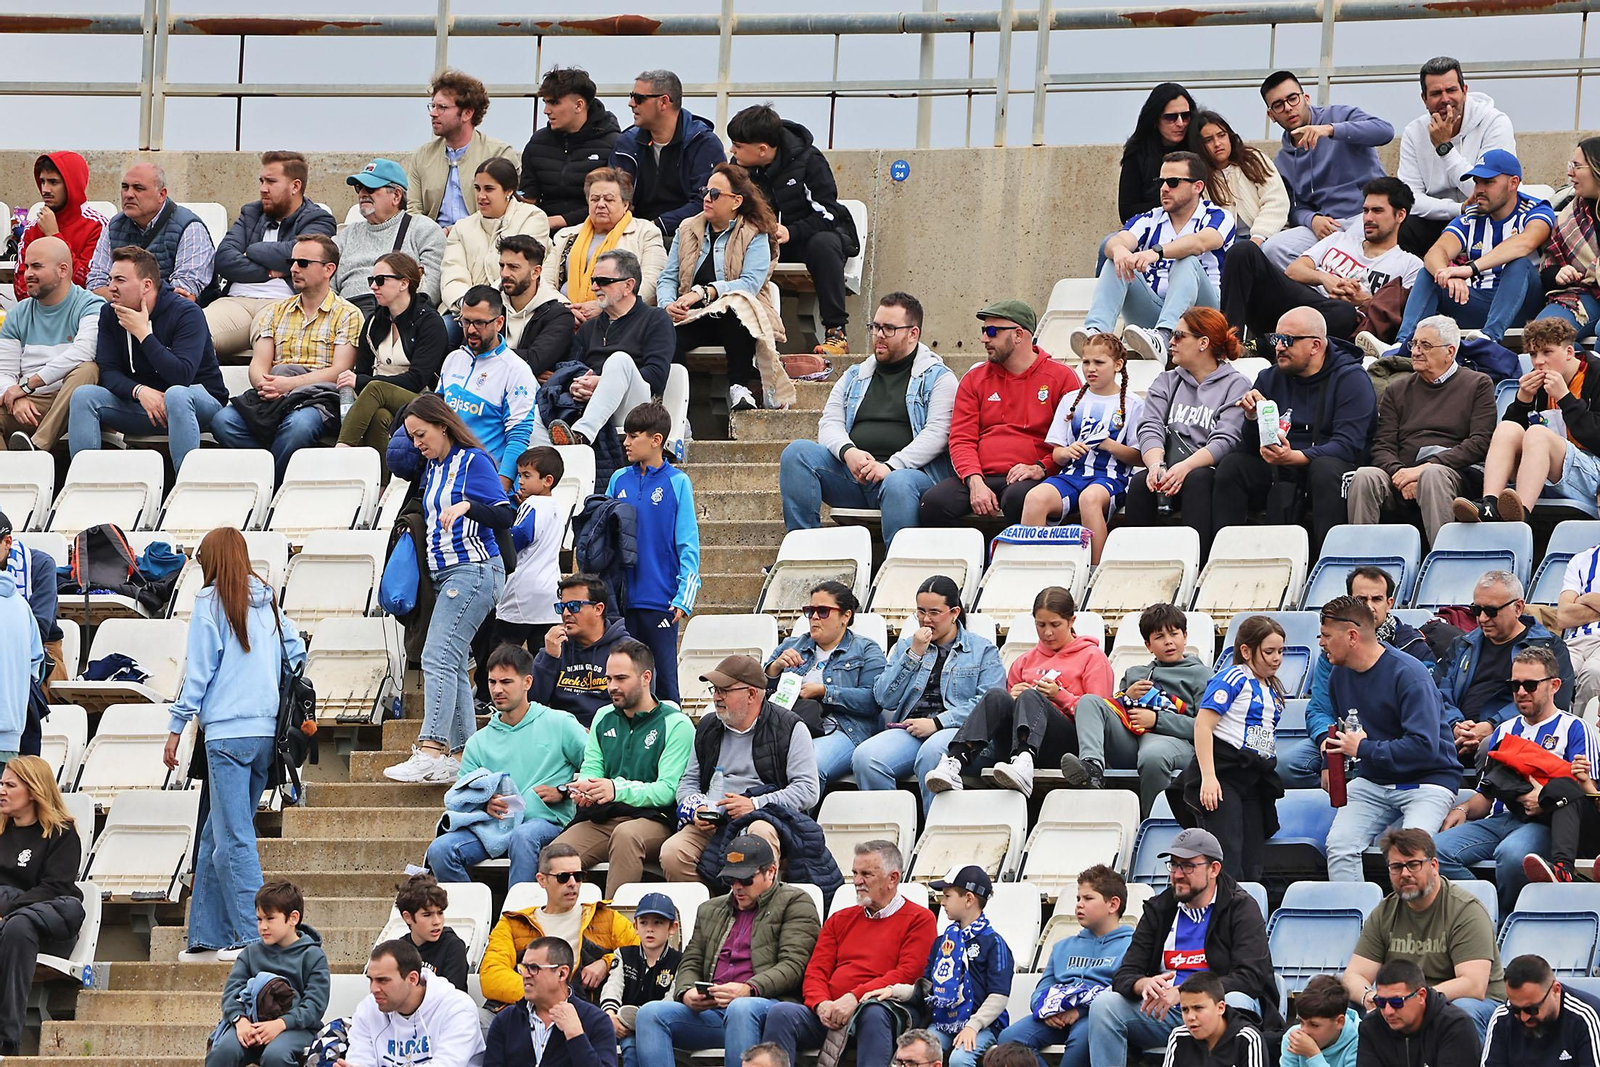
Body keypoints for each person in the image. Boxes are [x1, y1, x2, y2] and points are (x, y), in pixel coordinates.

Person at [166, 526, 306, 958]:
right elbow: (297, 654)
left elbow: (199, 672)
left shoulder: (210, 602)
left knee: (235, 837)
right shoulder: (269, 602)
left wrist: (176, 727)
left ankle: (253, 934)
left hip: (227, 735)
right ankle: (207, 935)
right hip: (265, 735)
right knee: (215, 834)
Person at [382, 394, 513, 784]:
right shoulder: (433, 467)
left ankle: (431, 747)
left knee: (437, 656)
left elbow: (505, 513)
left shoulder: (473, 460)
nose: (418, 443)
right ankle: (463, 754)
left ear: (443, 425)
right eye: (412, 437)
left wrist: (469, 507)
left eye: (421, 434)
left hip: (472, 570)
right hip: (446, 574)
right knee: (453, 662)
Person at [1089, 828, 1280, 1067]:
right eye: (1174, 865)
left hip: (1217, 1009)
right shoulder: (1159, 909)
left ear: (1214, 869)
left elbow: (1251, 976)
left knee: (1236, 1002)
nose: (1178, 874)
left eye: (1188, 866)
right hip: (1165, 1012)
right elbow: (1126, 973)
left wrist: (1186, 992)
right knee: (1104, 1007)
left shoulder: (1240, 908)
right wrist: (1143, 984)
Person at [778, 290, 956, 546]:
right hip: (855, 477)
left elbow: (938, 433)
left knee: (898, 482)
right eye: (876, 327)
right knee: (797, 453)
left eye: (889, 329)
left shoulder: (938, 378)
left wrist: (891, 466)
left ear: (913, 333)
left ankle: (898, 564)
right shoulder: (855, 375)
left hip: (909, 479)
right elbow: (829, 423)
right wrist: (849, 452)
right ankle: (803, 550)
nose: (879, 335)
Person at [632, 834, 821, 1067]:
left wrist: (748, 989)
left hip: (765, 1007)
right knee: (649, 1014)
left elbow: (794, 966)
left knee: (742, 1008)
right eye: (731, 879)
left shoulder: (796, 902)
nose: (737, 887)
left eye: (746, 879)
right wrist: (687, 992)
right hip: (715, 1009)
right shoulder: (710, 909)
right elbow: (691, 961)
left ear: (771, 871)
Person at [1435, 646, 1596, 912]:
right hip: (1500, 818)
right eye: (1515, 685)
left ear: (1554, 685)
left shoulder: (1575, 728)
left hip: (1544, 822)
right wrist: (1463, 809)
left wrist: (1544, 799)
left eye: (1530, 685)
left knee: (1512, 856)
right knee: (1435, 851)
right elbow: (1486, 794)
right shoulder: (1504, 730)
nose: (1521, 692)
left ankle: (1510, 919)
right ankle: (1483, 914)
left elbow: (1586, 794)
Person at [1319, 595, 1462, 882]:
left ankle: (1416, 924)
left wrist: (1364, 748)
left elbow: (1424, 747)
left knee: (1412, 853)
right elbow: (1344, 727)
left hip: (1427, 779)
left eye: (1325, 635)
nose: (1321, 643)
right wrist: (1328, 761)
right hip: (1374, 780)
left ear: (1352, 636)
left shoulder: (1409, 674)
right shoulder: (1338, 675)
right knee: (1339, 846)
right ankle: (1359, 922)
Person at [760, 840, 938, 1067]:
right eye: (854, 873)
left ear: (893, 878)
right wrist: (821, 1004)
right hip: (831, 1011)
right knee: (781, 1013)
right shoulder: (840, 919)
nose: (857, 881)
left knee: (874, 1012)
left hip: (884, 1009)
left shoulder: (919, 919)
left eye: (866, 874)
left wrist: (854, 997)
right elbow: (816, 971)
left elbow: (908, 973)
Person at [1215, 308, 1377, 555]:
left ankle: (1330, 561)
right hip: (1282, 466)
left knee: (1324, 469)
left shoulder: (1351, 379)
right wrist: (1251, 418)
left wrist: (1297, 457)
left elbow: (1348, 445)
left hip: (1330, 468)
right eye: (1276, 338)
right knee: (1233, 466)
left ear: (1315, 345)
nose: (1279, 347)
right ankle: (1226, 559)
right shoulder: (1268, 378)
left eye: (1288, 340)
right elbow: (1249, 448)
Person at [926, 586, 1113, 799]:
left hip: (1067, 748)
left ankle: (1024, 759)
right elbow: (1001, 711)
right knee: (997, 696)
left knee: (1030, 696)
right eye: (1040, 625)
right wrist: (1012, 697)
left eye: (1055, 624)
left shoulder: (1093, 657)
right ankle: (955, 761)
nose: (1047, 632)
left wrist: (1060, 695)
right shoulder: (1024, 661)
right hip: (1014, 746)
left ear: (1072, 621)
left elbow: (1099, 714)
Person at [424, 643, 587, 883]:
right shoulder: (479, 741)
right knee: (440, 850)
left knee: (523, 836)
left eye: (506, 682)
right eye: (492, 682)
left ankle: (517, 917)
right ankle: (475, 915)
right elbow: (462, 796)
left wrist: (564, 791)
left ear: (527, 682)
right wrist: (484, 803)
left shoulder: (560, 723)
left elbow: (599, 765)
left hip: (546, 824)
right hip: (492, 827)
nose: (497, 689)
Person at [208, 233, 362, 481]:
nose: (293, 269)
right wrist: (265, 384)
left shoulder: (347, 314)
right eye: (292, 262)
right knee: (223, 421)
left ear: (328, 270)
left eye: (302, 263)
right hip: (274, 394)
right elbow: (258, 364)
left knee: (299, 427)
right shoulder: (275, 311)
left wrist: (288, 385)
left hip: (318, 397)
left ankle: (268, 486)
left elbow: (339, 371)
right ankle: (273, 476)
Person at [548, 640, 694, 898]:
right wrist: (587, 789)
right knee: (556, 856)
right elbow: (592, 769)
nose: (612, 686)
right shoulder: (603, 717)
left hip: (655, 819)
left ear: (646, 677)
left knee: (626, 836)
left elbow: (667, 791)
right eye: (608, 678)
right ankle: (561, 933)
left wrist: (615, 789)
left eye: (621, 678)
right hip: (606, 816)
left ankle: (614, 928)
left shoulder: (676, 725)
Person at [920, 299, 1082, 527]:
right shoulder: (974, 378)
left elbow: (1072, 442)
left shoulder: (1061, 377)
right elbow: (961, 439)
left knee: (1019, 499)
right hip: (981, 475)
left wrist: (1041, 467)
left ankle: (1012, 559)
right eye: (983, 330)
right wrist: (974, 480)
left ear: (1018, 335)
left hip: (1033, 475)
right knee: (933, 503)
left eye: (992, 331)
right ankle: (971, 560)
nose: (984, 338)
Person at [67, 245, 228, 472]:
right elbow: (108, 372)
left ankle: (186, 485)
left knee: (177, 394)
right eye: (110, 279)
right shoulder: (109, 313)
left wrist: (143, 334)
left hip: (196, 402)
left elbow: (182, 375)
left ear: (146, 285)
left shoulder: (186, 313)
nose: (111, 287)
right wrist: (139, 391)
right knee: (84, 396)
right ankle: (86, 483)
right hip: (144, 406)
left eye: (120, 280)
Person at [853, 575, 1006, 812]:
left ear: (954, 613)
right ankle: (891, 833)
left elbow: (988, 702)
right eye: (921, 611)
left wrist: (937, 722)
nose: (926, 619)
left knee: (932, 754)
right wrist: (913, 656)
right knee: (866, 757)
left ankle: (933, 832)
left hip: (958, 732)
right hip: (911, 728)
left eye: (934, 612)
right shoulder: (907, 646)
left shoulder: (982, 650)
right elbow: (884, 698)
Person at [663, 654, 818, 881]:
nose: (716, 697)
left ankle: (758, 912)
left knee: (760, 836)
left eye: (724, 690)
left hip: (765, 819)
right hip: (715, 819)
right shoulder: (707, 726)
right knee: (672, 853)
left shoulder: (790, 727)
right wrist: (695, 808)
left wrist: (754, 804)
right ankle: (711, 909)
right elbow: (689, 781)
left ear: (751, 694)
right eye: (714, 690)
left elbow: (807, 790)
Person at [1277, 567, 1436, 789]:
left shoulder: (1414, 649)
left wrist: (1366, 747)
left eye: (1377, 599)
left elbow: (1431, 716)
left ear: (1389, 603)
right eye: (1362, 599)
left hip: (1393, 739)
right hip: (1343, 738)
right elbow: (1319, 709)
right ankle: (1342, 795)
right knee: (1286, 766)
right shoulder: (1332, 652)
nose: (1370, 606)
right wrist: (1327, 742)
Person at [1073, 152, 1236, 364]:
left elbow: (1201, 242)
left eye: (1173, 182)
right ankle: (1095, 335)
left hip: (1203, 314)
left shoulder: (1218, 216)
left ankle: (1166, 335)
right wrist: (1120, 250)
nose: (1164, 188)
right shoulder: (1151, 218)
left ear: (1197, 187)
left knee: (1186, 260)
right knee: (1117, 259)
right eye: (1161, 182)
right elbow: (1117, 240)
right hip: (1154, 310)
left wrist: (1156, 252)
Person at [1345, 315, 1496, 544]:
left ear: (1450, 351)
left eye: (1425, 345)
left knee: (1432, 476)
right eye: (1414, 344)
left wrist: (1425, 470)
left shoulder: (1478, 384)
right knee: (1365, 476)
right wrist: (1401, 475)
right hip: (1401, 474)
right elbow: (1383, 445)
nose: (1415, 351)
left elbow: (1479, 442)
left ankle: (1444, 561)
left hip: (1451, 474)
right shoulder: (1397, 389)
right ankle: (1362, 563)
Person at [1341, 828, 1506, 1034]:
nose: (1405, 874)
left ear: (1434, 865)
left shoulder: (1465, 910)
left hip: (1472, 1005)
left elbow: (1473, 985)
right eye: (1396, 867)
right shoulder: (1385, 911)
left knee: (1462, 1012)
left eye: (1413, 864)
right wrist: (1370, 997)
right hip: (1404, 1001)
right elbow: (1353, 975)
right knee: (1340, 1008)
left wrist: (1411, 1000)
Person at [728, 103, 861, 357]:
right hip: (764, 243)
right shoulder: (739, 167)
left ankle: (836, 333)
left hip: (806, 240)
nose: (732, 150)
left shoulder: (809, 161)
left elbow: (829, 214)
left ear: (762, 149)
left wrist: (792, 231)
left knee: (824, 244)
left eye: (738, 145)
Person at [1390, 149, 1552, 354]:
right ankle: (1403, 344)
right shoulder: (1472, 215)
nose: (1479, 189)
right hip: (1479, 303)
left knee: (1518, 263)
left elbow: (1525, 243)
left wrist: (1469, 269)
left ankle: (1489, 339)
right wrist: (1446, 275)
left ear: (1513, 183)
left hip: (1523, 307)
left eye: (1488, 182)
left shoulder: (1535, 208)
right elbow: (1437, 251)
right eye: (1477, 182)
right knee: (1428, 272)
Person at [658, 162, 790, 413]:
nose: (707, 198)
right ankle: (672, 410)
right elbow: (668, 277)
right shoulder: (686, 228)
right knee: (664, 333)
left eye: (715, 194)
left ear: (736, 201)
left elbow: (750, 283)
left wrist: (705, 291)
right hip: (693, 316)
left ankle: (740, 387)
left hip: (739, 315)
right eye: (705, 192)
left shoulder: (756, 232)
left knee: (734, 310)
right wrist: (667, 304)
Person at [1221, 177, 1421, 342]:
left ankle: (1263, 344)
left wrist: (1365, 300)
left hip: (1339, 325)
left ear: (1400, 215)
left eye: (1377, 211)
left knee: (1343, 312)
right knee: (1244, 250)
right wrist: (1326, 279)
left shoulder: (1410, 265)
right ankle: (1229, 340)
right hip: (1300, 303)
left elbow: (1402, 317)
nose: (1368, 218)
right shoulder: (1339, 239)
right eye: (1366, 210)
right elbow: (1294, 271)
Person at [1063, 603, 1213, 815]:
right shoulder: (1135, 673)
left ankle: (1153, 822)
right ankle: (1092, 767)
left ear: (1185, 636)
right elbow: (1114, 712)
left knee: (1153, 755)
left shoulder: (1201, 675)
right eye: (1159, 637)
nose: (1168, 641)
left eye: (1174, 634)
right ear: (1148, 645)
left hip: (1176, 743)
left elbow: (1204, 727)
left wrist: (1156, 720)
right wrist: (1126, 697)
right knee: (1088, 701)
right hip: (1132, 741)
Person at [864, 864, 1016, 1067]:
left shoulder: (994, 943)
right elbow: (927, 988)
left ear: (969, 899)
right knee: (919, 1054)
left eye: (947, 895)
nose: (941, 902)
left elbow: (999, 996)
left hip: (983, 1025)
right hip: (944, 1022)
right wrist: (893, 991)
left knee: (959, 1059)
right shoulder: (942, 943)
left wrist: (973, 1025)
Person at [1126, 307, 1251, 555]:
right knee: (1141, 483)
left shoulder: (1237, 384)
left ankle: (1196, 565)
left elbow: (1226, 439)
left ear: (1203, 343)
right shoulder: (1167, 380)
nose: (1171, 341)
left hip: (1207, 473)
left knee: (1197, 479)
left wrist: (1185, 468)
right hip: (1169, 466)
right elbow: (1149, 425)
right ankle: (1133, 564)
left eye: (1179, 335)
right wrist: (1154, 466)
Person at [1455, 316, 1600, 524]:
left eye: (1547, 352)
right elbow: (1510, 438)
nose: (1539, 361)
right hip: (1545, 471)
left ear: (1569, 352)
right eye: (1533, 354)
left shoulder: (1595, 373)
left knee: (1538, 433)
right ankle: (1489, 505)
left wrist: (1566, 399)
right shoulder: (1538, 379)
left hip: (1592, 475)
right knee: (1507, 428)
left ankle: (1520, 512)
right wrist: (1523, 400)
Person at [1175, 615, 1285, 883]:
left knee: (1252, 862)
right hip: (1223, 775)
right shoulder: (1233, 677)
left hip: (1253, 778)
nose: (1276, 658)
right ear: (1246, 651)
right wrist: (1209, 777)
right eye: (1269, 651)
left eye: (1281, 651)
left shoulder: (1272, 687)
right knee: (1228, 857)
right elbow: (1203, 725)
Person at [1020, 334, 1143, 560]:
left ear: (1118, 365)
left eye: (1099, 363)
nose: (1091, 369)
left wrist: (1109, 446)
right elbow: (1056, 453)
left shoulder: (1134, 404)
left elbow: (1139, 457)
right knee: (1034, 498)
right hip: (1072, 475)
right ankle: (1032, 565)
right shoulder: (1070, 400)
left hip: (1111, 477)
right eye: (1086, 362)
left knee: (1090, 498)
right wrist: (1067, 452)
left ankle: (1095, 571)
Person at [608, 400, 700, 700]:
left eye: (634, 436)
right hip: (621, 601)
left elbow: (687, 543)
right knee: (623, 683)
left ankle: (674, 743)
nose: (626, 442)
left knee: (663, 683)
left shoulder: (678, 482)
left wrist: (684, 597)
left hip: (660, 599)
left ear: (656, 440)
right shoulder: (617, 479)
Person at [997, 865, 1134, 1067]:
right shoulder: (1063, 946)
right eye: (1078, 899)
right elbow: (1042, 989)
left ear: (1113, 904)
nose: (1079, 905)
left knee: (1082, 1037)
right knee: (1009, 1038)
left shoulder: (1132, 946)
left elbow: (1122, 992)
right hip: (1055, 1016)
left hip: (1096, 1017)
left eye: (1088, 899)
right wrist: (1048, 1009)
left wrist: (1080, 1011)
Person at [205, 151, 337, 358]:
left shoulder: (318, 219)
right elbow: (223, 260)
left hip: (283, 302)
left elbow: (303, 260)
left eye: (271, 182)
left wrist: (252, 250)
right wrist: (271, 272)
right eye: (261, 181)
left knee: (272, 349)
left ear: (295, 186)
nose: (263, 189)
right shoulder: (251, 213)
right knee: (195, 335)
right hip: (235, 301)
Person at [537, 249, 674, 449]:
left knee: (619, 360)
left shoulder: (656, 319)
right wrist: (575, 385)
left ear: (628, 285)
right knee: (532, 414)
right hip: (585, 403)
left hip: (637, 406)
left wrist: (603, 383)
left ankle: (582, 435)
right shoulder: (589, 327)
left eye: (602, 281)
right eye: (593, 280)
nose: (594, 287)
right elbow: (570, 367)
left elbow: (656, 375)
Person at [1258, 71, 1394, 269]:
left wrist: (1330, 130)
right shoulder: (1282, 161)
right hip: (1327, 225)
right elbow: (1293, 206)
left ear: (1306, 98)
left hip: (1365, 213)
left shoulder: (1340, 115)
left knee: (1346, 251)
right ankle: (1325, 290)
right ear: (1271, 115)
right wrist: (1312, 220)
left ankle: (1335, 285)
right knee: (1273, 249)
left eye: (1292, 99)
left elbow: (1384, 131)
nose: (1288, 108)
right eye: (1278, 105)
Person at [478, 845, 639, 1011]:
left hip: (585, 1014)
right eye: (563, 877)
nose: (572, 883)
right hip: (524, 1012)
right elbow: (492, 975)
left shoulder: (607, 918)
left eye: (578, 876)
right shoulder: (513, 923)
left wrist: (607, 963)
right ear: (542, 880)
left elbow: (642, 956)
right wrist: (545, 997)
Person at [765, 580, 887, 790]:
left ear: (846, 616)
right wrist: (774, 670)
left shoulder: (866, 650)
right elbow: (755, 693)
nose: (813, 617)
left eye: (823, 611)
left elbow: (873, 701)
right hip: (789, 728)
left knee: (807, 765)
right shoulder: (791, 645)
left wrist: (824, 692)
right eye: (810, 611)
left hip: (845, 728)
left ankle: (792, 822)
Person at [0, 756, 84, 1059]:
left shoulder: (62, 833)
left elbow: (56, 888)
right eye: (1, 783)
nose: (2, 790)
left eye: (10, 785)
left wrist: (9, 908)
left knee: (19, 925)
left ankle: (6, 1042)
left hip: (47, 928)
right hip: (9, 925)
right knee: (13, 925)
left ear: (34, 790)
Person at [1435, 571, 1576, 749]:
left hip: (1517, 738)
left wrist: (1493, 726)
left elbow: (1554, 701)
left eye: (1491, 611)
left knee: (1489, 746)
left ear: (1518, 608)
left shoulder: (1549, 647)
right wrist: (1456, 726)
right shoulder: (1462, 645)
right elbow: (1437, 693)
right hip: (1456, 735)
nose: (1482, 618)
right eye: (1476, 610)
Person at [1397, 57, 1518, 258]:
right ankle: (1413, 287)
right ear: (1424, 99)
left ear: (1465, 90)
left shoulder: (1495, 122)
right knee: (1401, 227)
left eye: (1451, 90)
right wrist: (1457, 209)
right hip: (1440, 218)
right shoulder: (1414, 132)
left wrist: (1445, 148)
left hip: (1488, 215)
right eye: (1436, 93)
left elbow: (1489, 190)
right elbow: (1410, 198)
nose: (1445, 99)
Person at [204, 881, 330, 1067]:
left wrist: (281, 1024)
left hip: (295, 1028)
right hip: (251, 1025)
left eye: (270, 919)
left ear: (293, 918)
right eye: (259, 919)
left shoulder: (313, 956)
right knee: (223, 1052)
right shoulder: (250, 954)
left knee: (275, 1057)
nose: (262, 926)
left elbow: (314, 1005)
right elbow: (231, 994)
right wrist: (240, 1021)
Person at [334, 251, 449, 452]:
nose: (373, 286)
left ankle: (342, 453)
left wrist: (363, 382)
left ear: (404, 283)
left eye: (380, 280)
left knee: (374, 388)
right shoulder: (373, 322)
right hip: (380, 400)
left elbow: (417, 380)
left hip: (421, 398)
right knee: (380, 417)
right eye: (372, 280)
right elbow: (363, 370)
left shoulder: (430, 322)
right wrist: (364, 382)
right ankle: (382, 482)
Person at [427, 285, 538, 491]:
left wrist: (500, 489)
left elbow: (518, 437)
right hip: (444, 480)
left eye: (479, 323)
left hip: (483, 485)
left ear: (499, 322)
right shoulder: (453, 360)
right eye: (465, 321)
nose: (470, 330)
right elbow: (436, 417)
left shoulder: (516, 370)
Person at [0, 236, 105, 453]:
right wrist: (14, 394)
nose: (28, 273)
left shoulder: (91, 305)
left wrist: (28, 385)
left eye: (37, 266)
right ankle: (10, 479)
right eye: (27, 266)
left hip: (71, 399)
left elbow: (84, 352)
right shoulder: (18, 313)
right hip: (28, 402)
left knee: (87, 369)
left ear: (63, 270)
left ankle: (37, 448)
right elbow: (4, 371)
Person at [610, 69, 727, 242]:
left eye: (639, 98)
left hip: (690, 237)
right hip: (632, 235)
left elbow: (707, 201)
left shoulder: (703, 143)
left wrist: (655, 226)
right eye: (631, 95)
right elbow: (614, 195)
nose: (631, 103)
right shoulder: (625, 144)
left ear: (664, 102)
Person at [480, 447, 565, 681]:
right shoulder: (557, 506)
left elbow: (518, 539)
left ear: (548, 480)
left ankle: (488, 697)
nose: (520, 481)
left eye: (527, 475)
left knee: (501, 653)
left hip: (522, 592)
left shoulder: (533, 505)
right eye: (519, 475)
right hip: (549, 595)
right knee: (544, 657)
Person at [544, 169, 668, 320]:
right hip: (567, 316)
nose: (601, 205)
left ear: (625, 205)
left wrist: (605, 306)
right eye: (595, 199)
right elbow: (545, 282)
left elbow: (652, 282)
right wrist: (566, 309)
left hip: (622, 318)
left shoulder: (646, 232)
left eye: (609, 199)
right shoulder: (566, 235)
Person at [441, 158, 551, 322]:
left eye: (489, 189)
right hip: (463, 311)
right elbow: (452, 274)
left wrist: (485, 304)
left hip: (518, 310)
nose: (481, 196)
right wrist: (469, 305)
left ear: (508, 191)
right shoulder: (462, 227)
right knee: (440, 332)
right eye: (477, 188)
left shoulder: (533, 218)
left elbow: (521, 270)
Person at [408, 68, 519, 231]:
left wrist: (454, 231)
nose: (433, 113)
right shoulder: (422, 156)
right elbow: (413, 210)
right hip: (432, 241)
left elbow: (507, 212)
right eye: (432, 106)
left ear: (467, 113)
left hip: (485, 239)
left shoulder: (499, 154)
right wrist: (431, 236)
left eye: (442, 107)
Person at [344, 939, 485, 1067]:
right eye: (371, 980)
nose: (373, 989)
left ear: (412, 979)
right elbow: (359, 1060)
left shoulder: (458, 1008)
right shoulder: (368, 1008)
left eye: (383, 980)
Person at [85, 161, 214, 301]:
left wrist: (125, 297)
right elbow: (95, 285)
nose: (128, 194)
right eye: (125, 187)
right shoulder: (114, 226)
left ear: (162, 195)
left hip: (178, 319)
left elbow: (184, 295)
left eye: (138, 188)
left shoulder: (190, 227)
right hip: (120, 313)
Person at [486, 936, 619, 1067]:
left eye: (533, 968)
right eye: (523, 968)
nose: (525, 975)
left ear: (562, 973)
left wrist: (575, 1035)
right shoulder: (506, 1020)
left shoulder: (596, 1021)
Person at [518, 66, 623, 232]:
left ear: (579, 105)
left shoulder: (614, 143)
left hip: (596, 230)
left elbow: (616, 203)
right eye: (545, 102)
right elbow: (529, 198)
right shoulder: (537, 143)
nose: (546, 111)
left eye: (554, 103)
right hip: (542, 232)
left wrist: (560, 221)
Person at [336, 158, 446, 313]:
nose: (362, 193)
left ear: (396, 196)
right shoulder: (346, 235)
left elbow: (429, 293)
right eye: (359, 187)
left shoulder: (423, 230)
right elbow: (325, 285)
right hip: (344, 317)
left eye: (370, 188)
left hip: (396, 318)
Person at [533, 574, 634, 727]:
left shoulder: (628, 651)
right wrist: (550, 659)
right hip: (561, 736)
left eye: (574, 606)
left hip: (610, 736)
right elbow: (531, 704)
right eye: (561, 607)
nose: (566, 613)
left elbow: (638, 708)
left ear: (598, 609)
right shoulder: (555, 647)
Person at [599, 892, 682, 1067]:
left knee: (634, 1044)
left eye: (658, 923)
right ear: (635, 926)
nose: (649, 929)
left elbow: (671, 1000)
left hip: (660, 1028)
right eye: (643, 923)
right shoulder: (623, 954)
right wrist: (610, 1016)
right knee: (627, 1044)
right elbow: (613, 986)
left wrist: (642, 1023)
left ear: (672, 928)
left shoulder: (680, 960)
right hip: (622, 1026)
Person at [11, 151, 105, 302]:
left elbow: (87, 283)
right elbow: (22, 288)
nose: (45, 190)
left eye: (53, 182)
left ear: (72, 184)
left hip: (81, 314)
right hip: (38, 315)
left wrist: (54, 235)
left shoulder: (98, 226)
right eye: (42, 181)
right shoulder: (32, 229)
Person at [1532, 137, 1600, 342]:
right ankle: (1579, 370)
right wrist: (1560, 273)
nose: (1570, 173)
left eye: (1577, 166)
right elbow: (1549, 266)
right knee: (1542, 336)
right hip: (1583, 295)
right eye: (1570, 166)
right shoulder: (1570, 214)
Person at [1355, 958, 1483, 1066]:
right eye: (1381, 1002)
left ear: (1421, 996)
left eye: (1397, 1002)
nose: (1388, 1011)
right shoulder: (1371, 1026)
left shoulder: (1455, 1026)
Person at [1189, 110, 1288, 245]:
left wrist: (1258, 237)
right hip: (1225, 244)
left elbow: (1276, 201)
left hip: (1267, 237)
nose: (1217, 143)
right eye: (1208, 140)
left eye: (1221, 135)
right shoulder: (1199, 177)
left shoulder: (1253, 159)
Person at [1484, 954, 1600, 1066]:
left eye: (1531, 1009)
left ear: (1555, 990)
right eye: (1515, 1009)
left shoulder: (1585, 1017)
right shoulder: (1502, 1017)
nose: (1524, 1017)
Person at [499, 234, 575, 380]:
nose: (504, 273)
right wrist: (525, 366)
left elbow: (534, 361)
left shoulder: (558, 315)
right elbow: (468, 352)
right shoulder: (490, 302)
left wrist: (484, 355)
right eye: (502, 265)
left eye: (513, 267)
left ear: (536, 272)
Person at [1120, 84, 1200, 223]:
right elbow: (1127, 212)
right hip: (1151, 227)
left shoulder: (1199, 147)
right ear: (1155, 119)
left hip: (1197, 227)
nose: (1180, 123)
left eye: (1186, 116)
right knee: (1108, 243)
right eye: (1171, 117)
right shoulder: (1138, 153)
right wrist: (1173, 202)